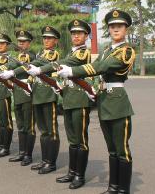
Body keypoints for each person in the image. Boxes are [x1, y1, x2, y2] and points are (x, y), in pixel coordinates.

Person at [56, 10, 135, 194]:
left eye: (119, 26)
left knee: (122, 149)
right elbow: (96, 69)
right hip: (104, 101)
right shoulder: (107, 50)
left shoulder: (126, 50)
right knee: (112, 150)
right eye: (112, 26)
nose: (115, 29)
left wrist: (73, 72)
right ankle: (113, 187)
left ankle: (123, 190)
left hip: (118, 102)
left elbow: (101, 67)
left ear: (126, 29)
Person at [28, 19, 93, 188]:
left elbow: (65, 64)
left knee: (81, 140)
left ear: (86, 36)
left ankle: (80, 175)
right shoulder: (71, 53)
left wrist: (41, 69)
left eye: (79, 33)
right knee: (72, 139)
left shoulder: (82, 53)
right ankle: (72, 172)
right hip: (70, 98)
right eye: (73, 33)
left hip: (79, 99)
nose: (76, 36)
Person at [12, 26, 61, 174]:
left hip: (47, 94)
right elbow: (34, 70)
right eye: (45, 38)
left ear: (56, 41)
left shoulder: (52, 54)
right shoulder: (40, 53)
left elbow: (38, 65)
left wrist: (19, 70)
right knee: (43, 130)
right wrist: (29, 81)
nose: (46, 40)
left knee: (51, 131)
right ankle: (44, 160)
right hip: (38, 94)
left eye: (49, 38)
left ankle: (51, 163)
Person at [0, 30, 36, 166]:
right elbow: (11, 65)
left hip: (27, 93)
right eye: (19, 41)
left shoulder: (30, 55)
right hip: (18, 93)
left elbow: (21, 67)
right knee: (20, 125)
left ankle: (28, 154)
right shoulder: (18, 56)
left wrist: (11, 72)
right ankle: (22, 153)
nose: (21, 43)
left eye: (23, 41)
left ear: (29, 43)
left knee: (29, 125)